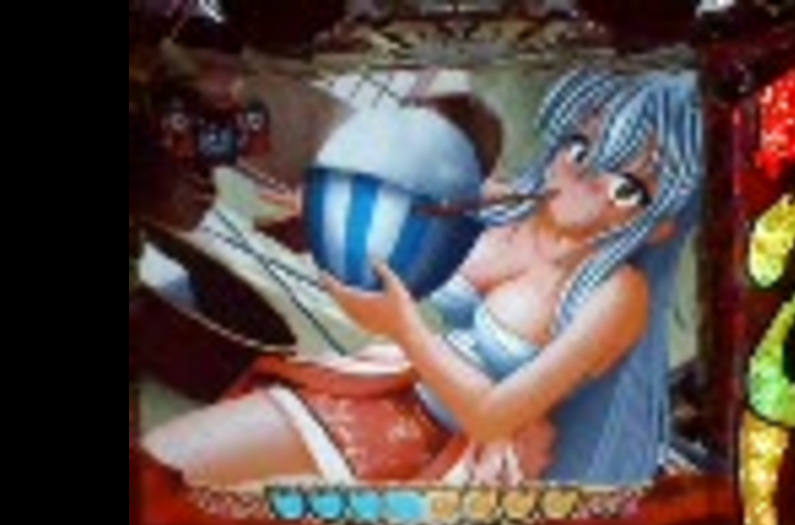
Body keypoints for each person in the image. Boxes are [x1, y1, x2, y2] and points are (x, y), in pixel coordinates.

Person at [142, 68, 705, 488]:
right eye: (580, 146)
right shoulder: (506, 201)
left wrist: (405, 328)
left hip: (470, 457)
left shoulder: (617, 295)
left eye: (626, 185)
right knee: (162, 466)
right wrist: (330, 213)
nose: (581, 177)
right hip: (388, 383)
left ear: (660, 221)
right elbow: (389, 245)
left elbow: (493, 415)